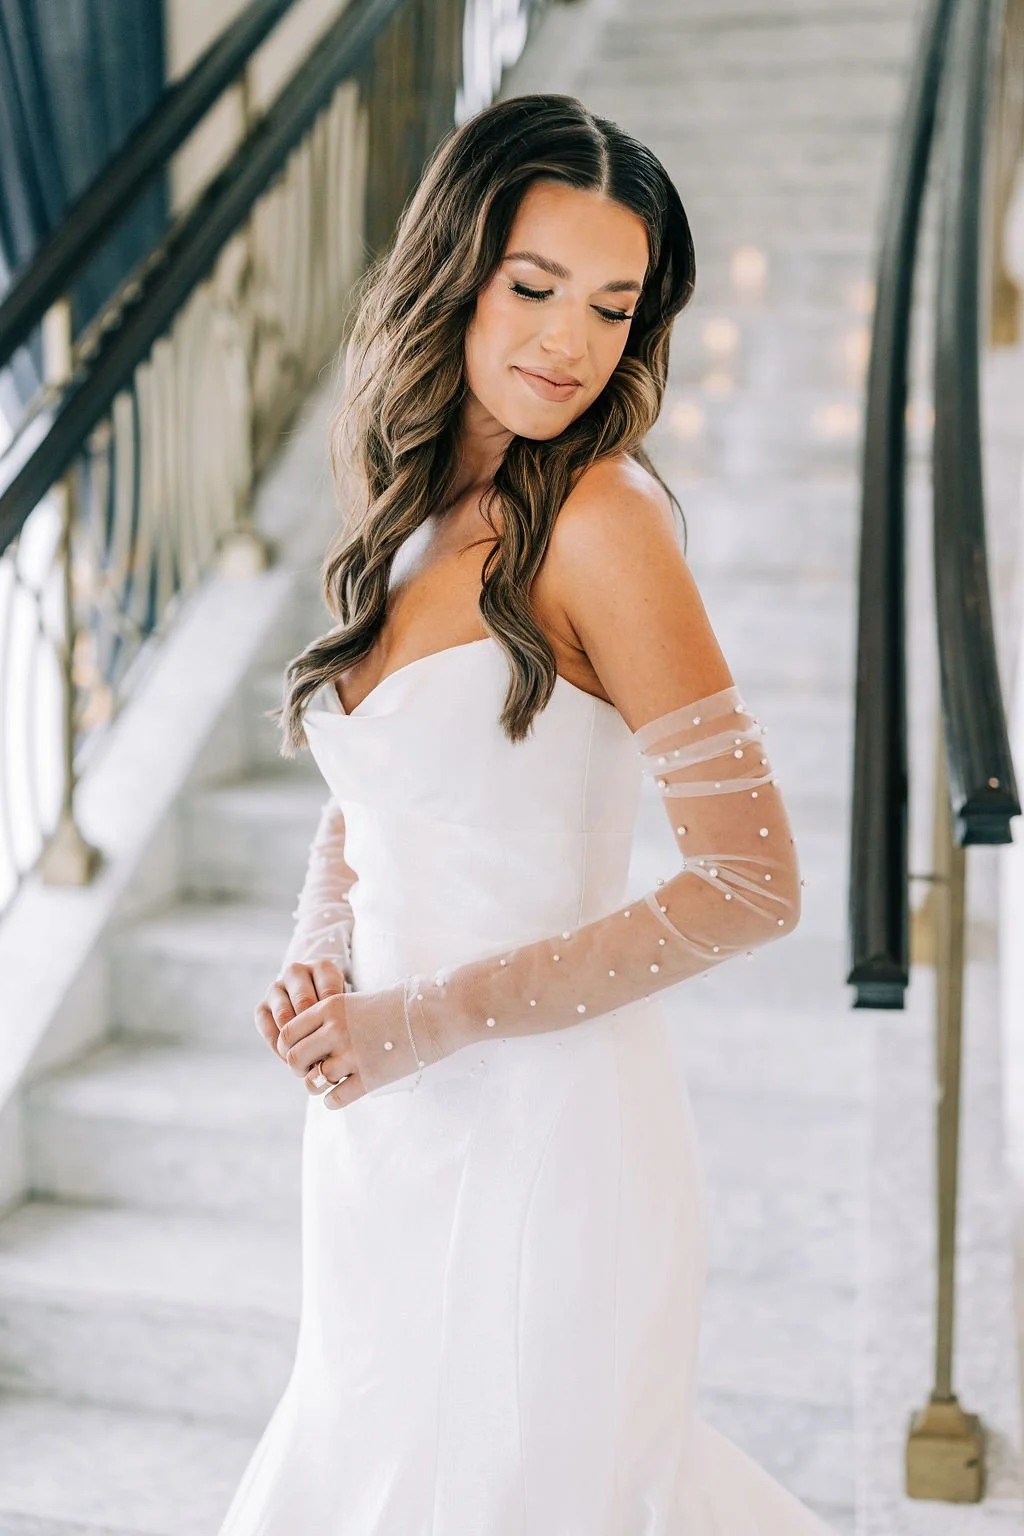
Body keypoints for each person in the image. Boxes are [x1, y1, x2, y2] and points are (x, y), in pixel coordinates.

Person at [219, 92, 831, 1534]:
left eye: (614, 308)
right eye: (535, 286)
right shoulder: (409, 492)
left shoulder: (606, 523)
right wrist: (324, 951)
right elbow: (375, 791)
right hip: (378, 1133)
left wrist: (421, 1019)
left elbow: (754, 883)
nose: (569, 342)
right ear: (457, 270)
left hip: (553, 1141)